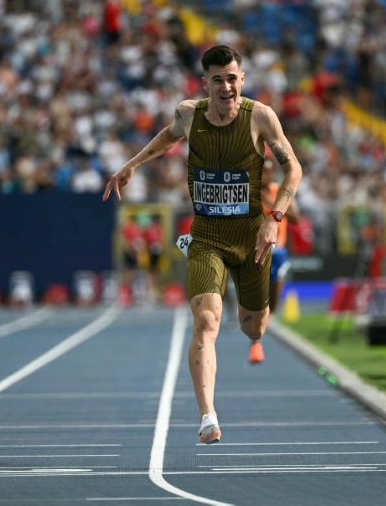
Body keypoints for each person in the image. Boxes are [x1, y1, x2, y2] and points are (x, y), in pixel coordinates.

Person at [103, 45, 303, 445]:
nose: (226, 87)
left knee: (253, 328)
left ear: (242, 79)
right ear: (205, 84)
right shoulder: (189, 114)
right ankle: (207, 415)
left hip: (252, 237)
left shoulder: (260, 117)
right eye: (218, 79)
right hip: (207, 235)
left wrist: (274, 219)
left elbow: (293, 166)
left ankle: (251, 309)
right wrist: (131, 165)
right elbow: (165, 137)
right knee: (207, 321)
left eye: (232, 78)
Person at [250, 158, 301, 363]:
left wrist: (273, 204)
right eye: (261, 172)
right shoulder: (248, 193)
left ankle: (257, 336)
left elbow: (296, 218)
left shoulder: (279, 190)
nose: (264, 176)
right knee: (258, 301)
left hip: (278, 253)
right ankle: (255, 342)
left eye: (268, 173)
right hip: (257, 252)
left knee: (275, 304)